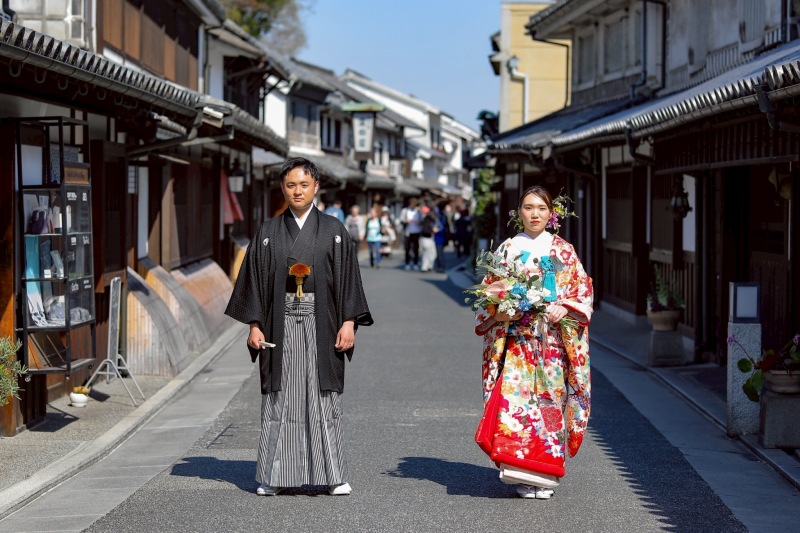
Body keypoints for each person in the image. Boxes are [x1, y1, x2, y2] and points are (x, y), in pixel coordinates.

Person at [224, 157, 373, 497]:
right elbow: (255, 282)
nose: (297, 191)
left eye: (304, 185)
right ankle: (275, 476)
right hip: (280, 324)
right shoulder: (267, 233)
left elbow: (349, 281)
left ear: (316, 187)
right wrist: (255, 325)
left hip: (324, 322)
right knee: (281, 398)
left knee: (324, 398)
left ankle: (334, 475)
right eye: (291, 185)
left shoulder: (335, 231)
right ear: (283, 188)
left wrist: (349, 322)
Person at [473, 185, 593, 499]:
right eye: (528, 207)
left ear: (551, 212)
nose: (535, 214)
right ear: (519, 212)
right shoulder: (507, 249)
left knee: (551, 405)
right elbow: (489, 293)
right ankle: (520, 473)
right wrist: (503, 309)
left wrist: (563, 308)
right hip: (518, 342)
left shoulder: (563, 250)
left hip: (552, 343)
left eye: (541, 208)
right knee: (517, 408)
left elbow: (582, 293)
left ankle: (546, 474)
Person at [400, 198, 422, 270]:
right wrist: (406, 221)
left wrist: (417, 221)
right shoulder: (405, 210)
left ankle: (415, 263)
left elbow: (421, 221)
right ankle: (407, 263)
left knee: (416, 249)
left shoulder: (418, 212)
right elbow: (401, 220)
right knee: (407, 249)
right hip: (408, 232)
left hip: (416, 231)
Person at [418, 205, 439, 272]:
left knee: (432, 253)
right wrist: (433, 230)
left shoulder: (426, 219)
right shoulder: (427, 219)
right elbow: (426, 230)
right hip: (426, 238)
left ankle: (429, 266)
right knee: (426, 253)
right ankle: (425, 267)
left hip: (429, 238)